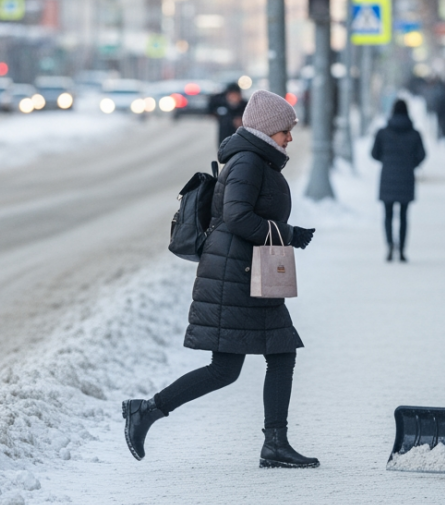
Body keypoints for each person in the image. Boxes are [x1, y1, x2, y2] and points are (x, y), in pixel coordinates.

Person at [123, 90, 319, 468]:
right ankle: (148, 411)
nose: (289, 138)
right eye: (285, 131)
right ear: (266, 130)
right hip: (238, 273)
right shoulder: (248, 160)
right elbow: (237, 217)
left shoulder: (255, 158)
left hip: (248, 272)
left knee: (257, 361)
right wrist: (288, 234)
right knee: (249, 362)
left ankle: (272, 443)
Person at [371, 99, 426, 262]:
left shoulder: (382, 132)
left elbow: (374, 154)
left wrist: (387, 161)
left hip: (387, 177)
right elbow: (422, 155)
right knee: (403, 215)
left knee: (387, 215)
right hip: (406, 178)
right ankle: (402, 251)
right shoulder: (415, 133)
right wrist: (410, 164)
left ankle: (389, 246)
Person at [209, 83, 246, 148]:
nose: (233, 97)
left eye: (235, 95)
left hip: (239, 141)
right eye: (231, 95)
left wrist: (242, 122)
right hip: (223, 138)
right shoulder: (221, 104)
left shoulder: (244, 106)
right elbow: (211, 109)